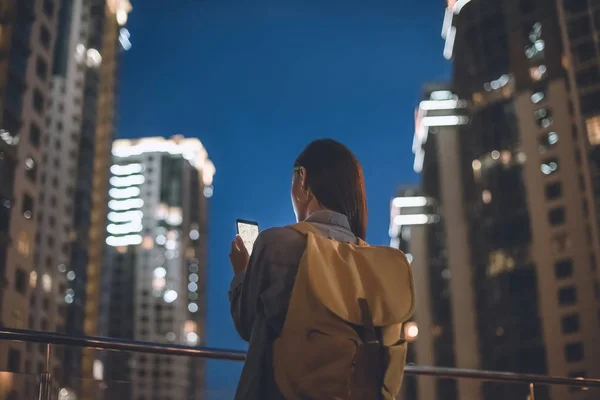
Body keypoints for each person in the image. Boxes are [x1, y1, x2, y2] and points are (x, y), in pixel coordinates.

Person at [229, 138, 412, 399]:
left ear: (302, 180)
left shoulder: (277, 244)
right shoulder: (377, 267)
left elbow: (246, 324)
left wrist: (242, 273)